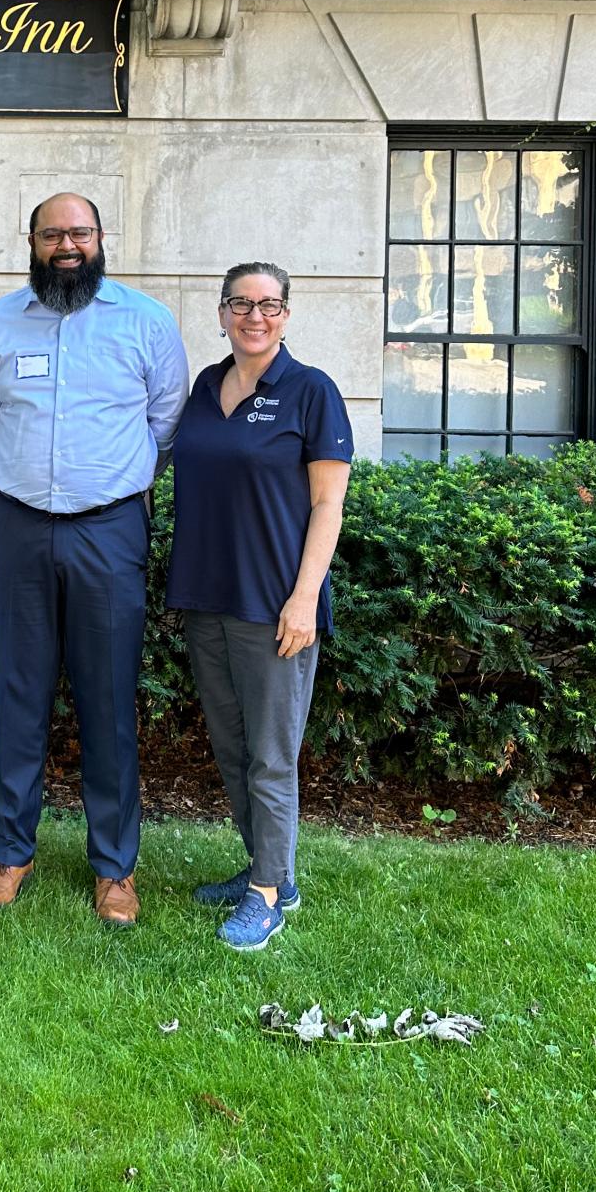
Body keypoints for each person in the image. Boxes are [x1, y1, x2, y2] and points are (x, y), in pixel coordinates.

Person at [0, 191, 189, 925]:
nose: (68, 244)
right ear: (30, 241)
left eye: (80, 231)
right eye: (52, 232)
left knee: (108, 701)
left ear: (100, 238)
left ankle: (115, 868)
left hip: (110, 531)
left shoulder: (146, 322)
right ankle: (9, 852)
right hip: (19, 528)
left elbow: (165, 422)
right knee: (20, 695)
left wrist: (108, 485)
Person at [167, 261, 353, 954]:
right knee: (232, 746)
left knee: (271, 756)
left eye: (269, 304)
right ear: (221, 312)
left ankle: (269, 895)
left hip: (275, 602)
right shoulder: (205, 388)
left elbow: (328, 503)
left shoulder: (311, 392)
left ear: (286, 313)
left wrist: (305, 598)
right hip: (205, 595)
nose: (255, 316)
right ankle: (269, 867)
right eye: (241, 303)